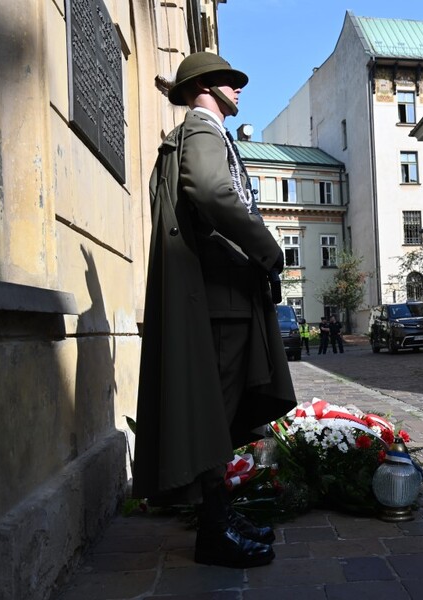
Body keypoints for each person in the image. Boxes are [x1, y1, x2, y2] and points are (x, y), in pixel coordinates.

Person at [133, 52, 297, 569]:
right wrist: (267, 248)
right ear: (204, 86)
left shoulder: (205, 132)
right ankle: (214, 530)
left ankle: (223, 516)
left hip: (223, 293)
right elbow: (210, 191)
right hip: (222, 296)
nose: (239, 88)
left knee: (218, 415)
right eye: (230, 80)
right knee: (215, 415)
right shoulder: (202, 130)